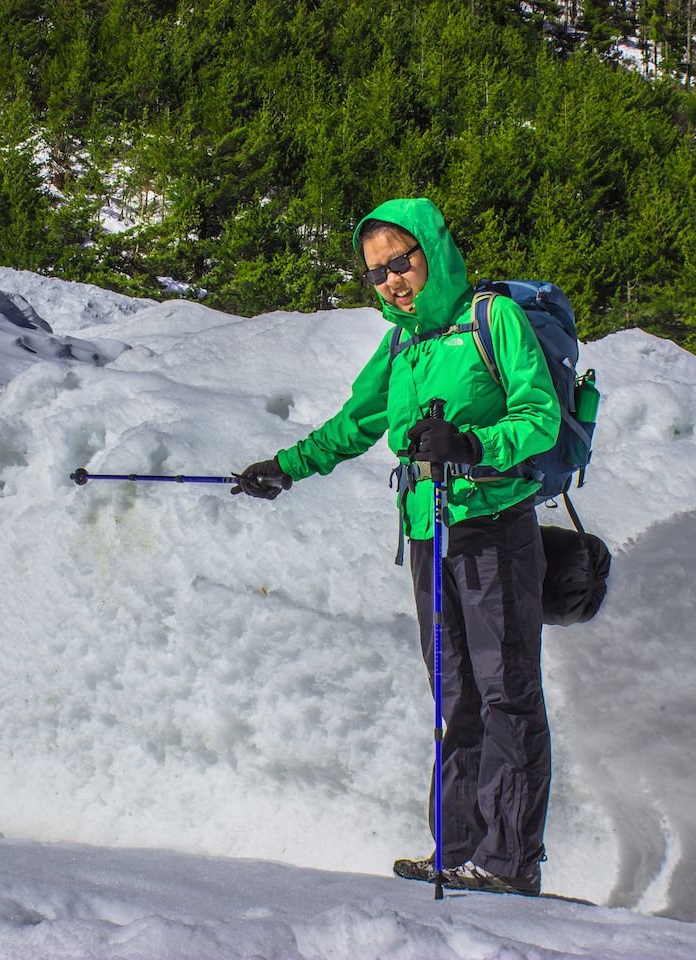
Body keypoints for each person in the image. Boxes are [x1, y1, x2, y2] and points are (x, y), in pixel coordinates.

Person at [233, 197, 560, 896]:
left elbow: (540, 417)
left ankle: (508, 861)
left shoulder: (489, 318)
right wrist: (285, 468)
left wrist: (472, 444)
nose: (391, 282)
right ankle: (459, 849)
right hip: (428, 533)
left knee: (506, 692)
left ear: (432, 251)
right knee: (457, 693)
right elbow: (355, 422)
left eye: (401, 262)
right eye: (377, 273)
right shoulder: (402, 344)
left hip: (494, 527)